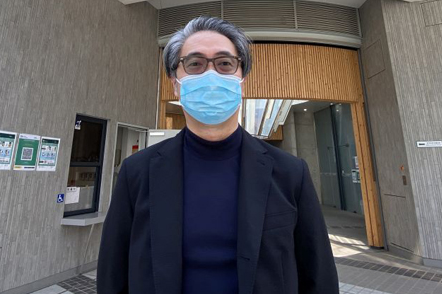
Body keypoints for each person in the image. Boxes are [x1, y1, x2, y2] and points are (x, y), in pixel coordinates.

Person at [97, 16, 339, 294]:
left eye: (225, 63)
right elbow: (112, 274)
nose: (211, 75)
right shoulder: (137, 172)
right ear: (175, 83)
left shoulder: (290, 172)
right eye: (195, 64)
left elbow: (318, 275)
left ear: (241, 81)